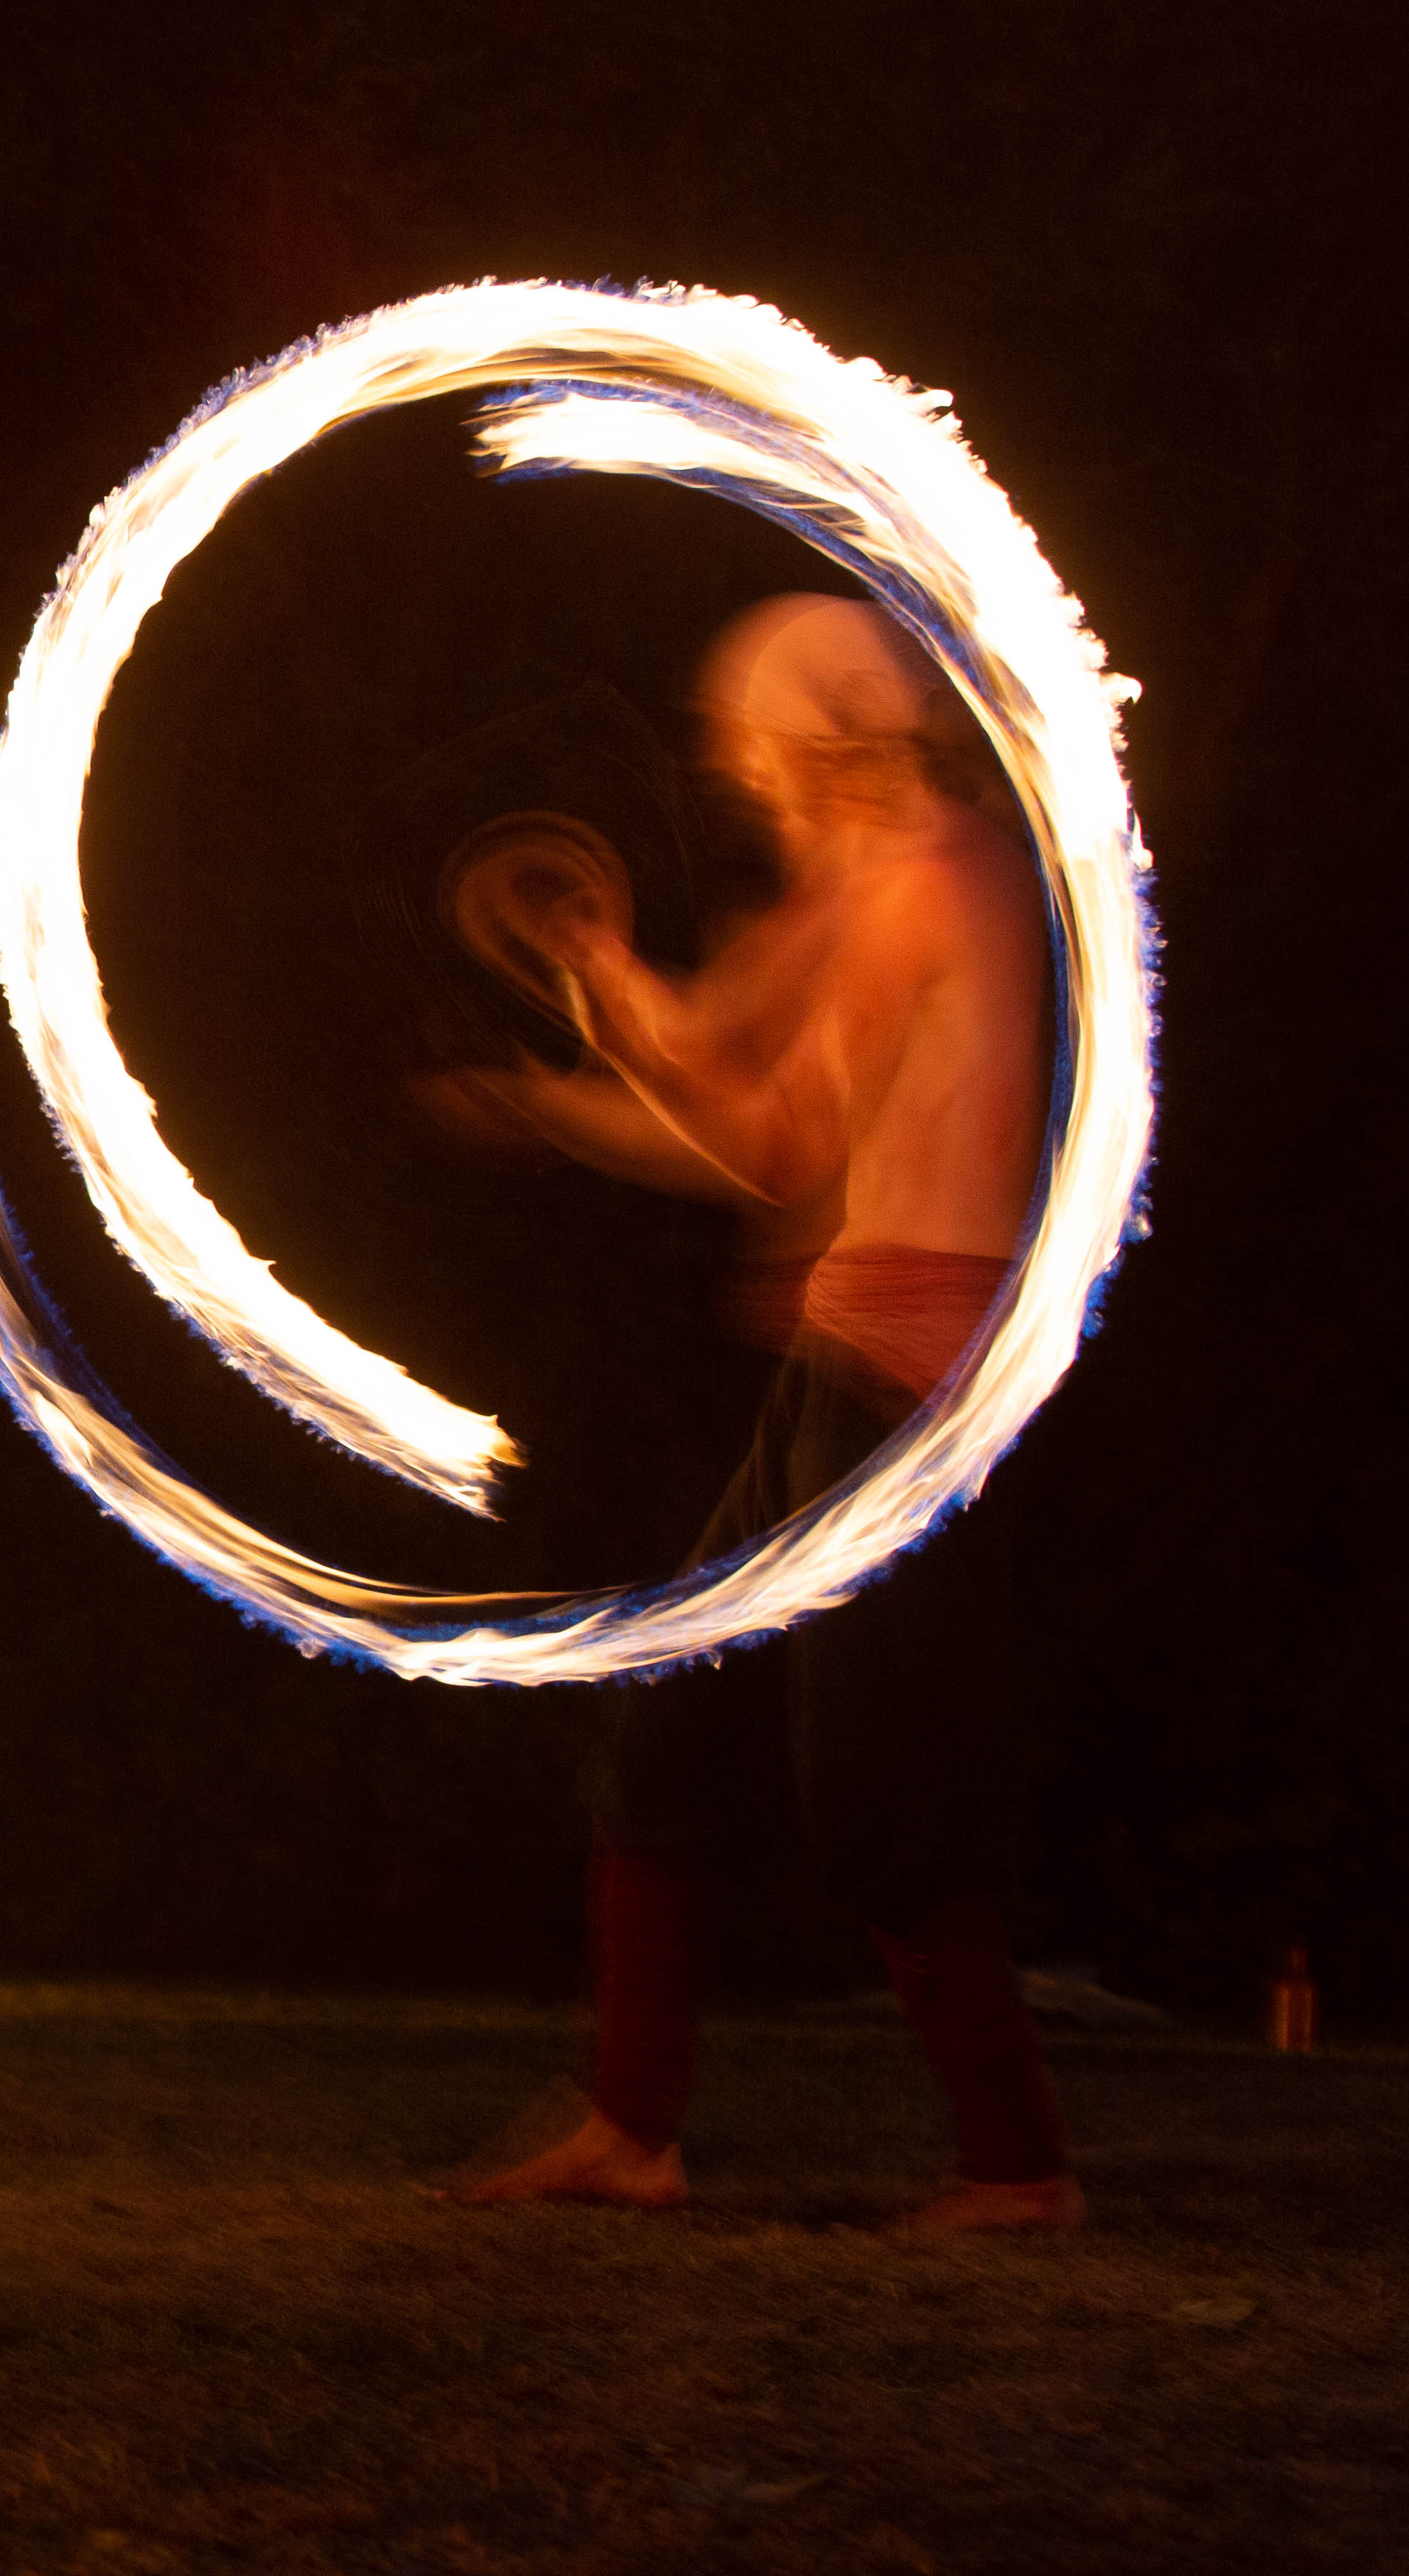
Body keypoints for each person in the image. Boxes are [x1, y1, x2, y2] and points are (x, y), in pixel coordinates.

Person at [424, 596, 1078, 2233]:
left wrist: (588, 1031)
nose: (745, 786)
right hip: (843, 1364)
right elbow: (727, 1071)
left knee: (878, 1792)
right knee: (669, 1740)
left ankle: (1018, 2170)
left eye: (755, 755)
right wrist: (587, 1018)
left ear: (820, 743)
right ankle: (629, 2131)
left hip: (905, 1387)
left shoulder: (927, 885)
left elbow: (767, 1136)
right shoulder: (901, 880)